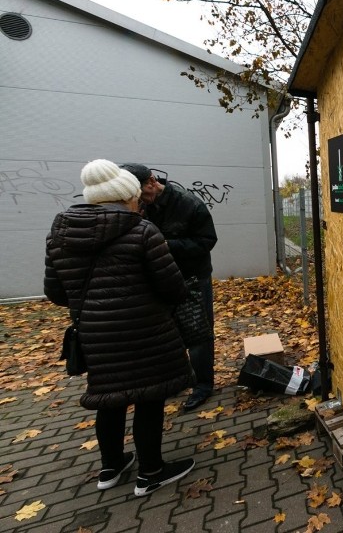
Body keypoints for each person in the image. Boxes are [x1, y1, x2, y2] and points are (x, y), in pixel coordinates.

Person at [44, 159, 196, 496]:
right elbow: (173, 288)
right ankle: (151, 472)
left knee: (108, 398)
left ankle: (111, 467)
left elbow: (55, 292)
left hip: (96, 335)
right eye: (136, 198)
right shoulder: (143, 232)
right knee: (148, 397)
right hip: (147, 331)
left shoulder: (60, 234)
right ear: (127, 196)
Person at [120, 163, 218, 410]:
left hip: (192, 279)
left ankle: (203, 385)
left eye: (142, 194)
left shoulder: (189, 204)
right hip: (157, 280)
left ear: (152, 181)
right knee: (168, 334)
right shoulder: (139, 205)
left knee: (198, 333)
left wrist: (165, 244)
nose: (140, 200)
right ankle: (179, 379)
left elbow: (206, 242)